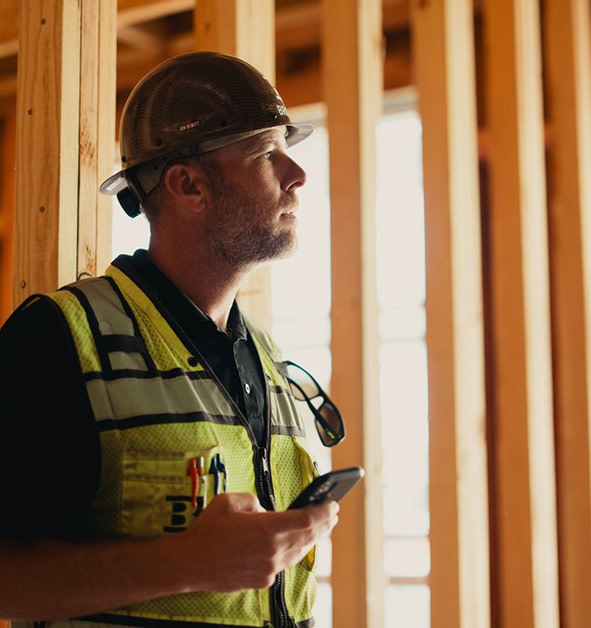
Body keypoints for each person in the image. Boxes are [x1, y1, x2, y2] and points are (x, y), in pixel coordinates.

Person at [0, 51, 340, 627]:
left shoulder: (270, 361)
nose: (296, 173)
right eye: (265, 154)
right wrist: (186, 563)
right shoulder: (62, 341)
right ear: (188, 184)